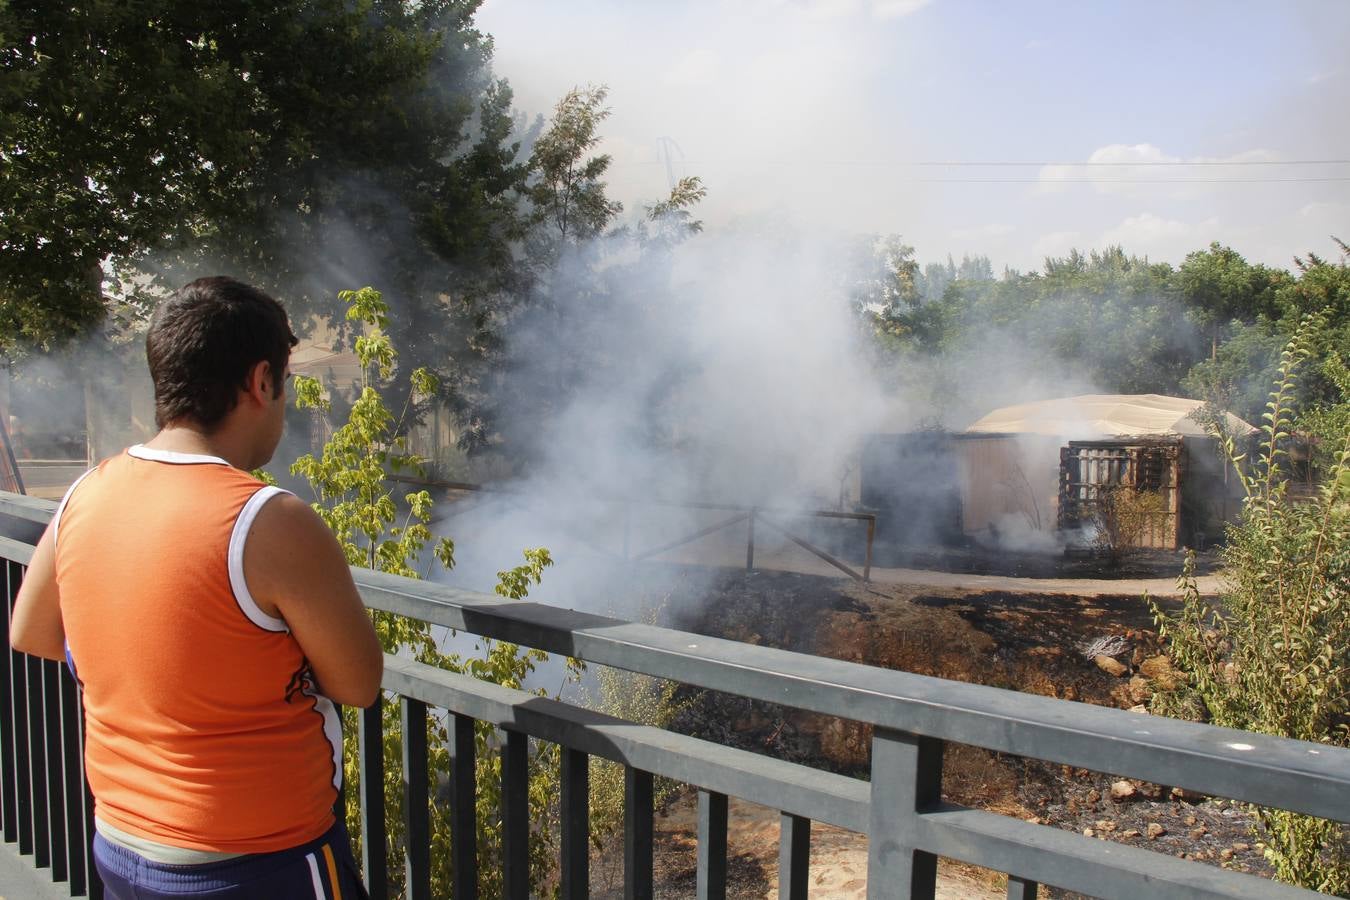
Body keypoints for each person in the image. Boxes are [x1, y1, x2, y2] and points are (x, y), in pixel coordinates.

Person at [10, 276, 384, 899]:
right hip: (258, 860)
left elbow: (31, 631)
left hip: (121, 844)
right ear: (261, 382)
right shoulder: (269, 519)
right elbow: (357, 682)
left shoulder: (86, 491)